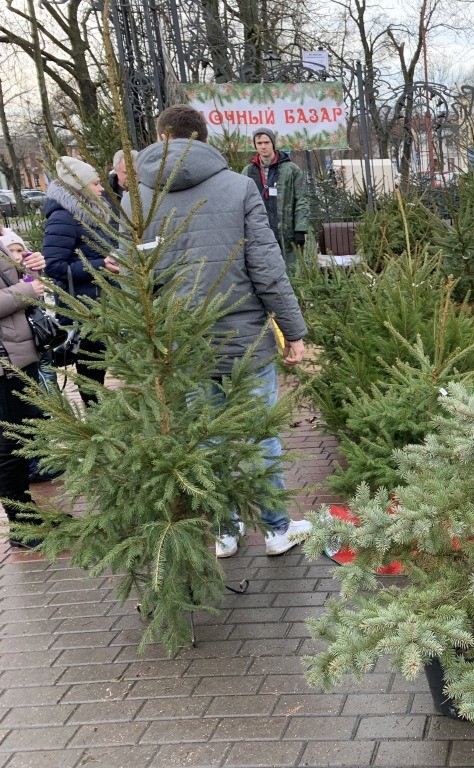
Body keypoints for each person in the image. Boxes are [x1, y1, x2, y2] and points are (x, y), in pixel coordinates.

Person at [117, 104, 310, 558]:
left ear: (161, 138)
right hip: (245, 340)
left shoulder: (136, 200)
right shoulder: (240, 187)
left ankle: (226, 530)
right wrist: (293, 331)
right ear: (203, 138)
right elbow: (267, 267)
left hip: (181, 345)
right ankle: (278, 529)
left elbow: (134, 282)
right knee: (261, 432)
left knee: (207, 437)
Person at [42, 156, 114, 401]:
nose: (101, 188)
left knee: (100, 367)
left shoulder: (91, 215)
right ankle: (96, 426)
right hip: (83, 309)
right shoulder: (63, 217)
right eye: (95, 184)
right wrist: (100, 264)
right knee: (90, 371)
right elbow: (53, 266)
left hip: (104, 303)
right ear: (80, 188)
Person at [0, 239, 48, 547]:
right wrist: (28, 290)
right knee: (8, 445)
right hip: (4, 365)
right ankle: (20, 524)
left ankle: (30, 513)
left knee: (24, 437)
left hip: (19, 356)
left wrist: (31, 270)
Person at [245, 127, 309, 272]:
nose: (263, 146)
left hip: (287, 232)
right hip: (259, 233)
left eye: (266, 142)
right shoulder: (248, 171)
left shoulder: (291, 170)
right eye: (259, 143)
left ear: (273, 143)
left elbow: (302, 200)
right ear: (255, 145)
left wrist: (301, 228)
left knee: (292, 273)